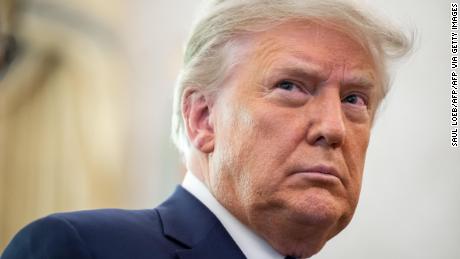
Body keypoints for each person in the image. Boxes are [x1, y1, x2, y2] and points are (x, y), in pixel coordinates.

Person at [1, 0, 412, 258]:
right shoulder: (80, 249)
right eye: (290, 86)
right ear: (202, 118)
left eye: (354, 99)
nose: (333, 127)